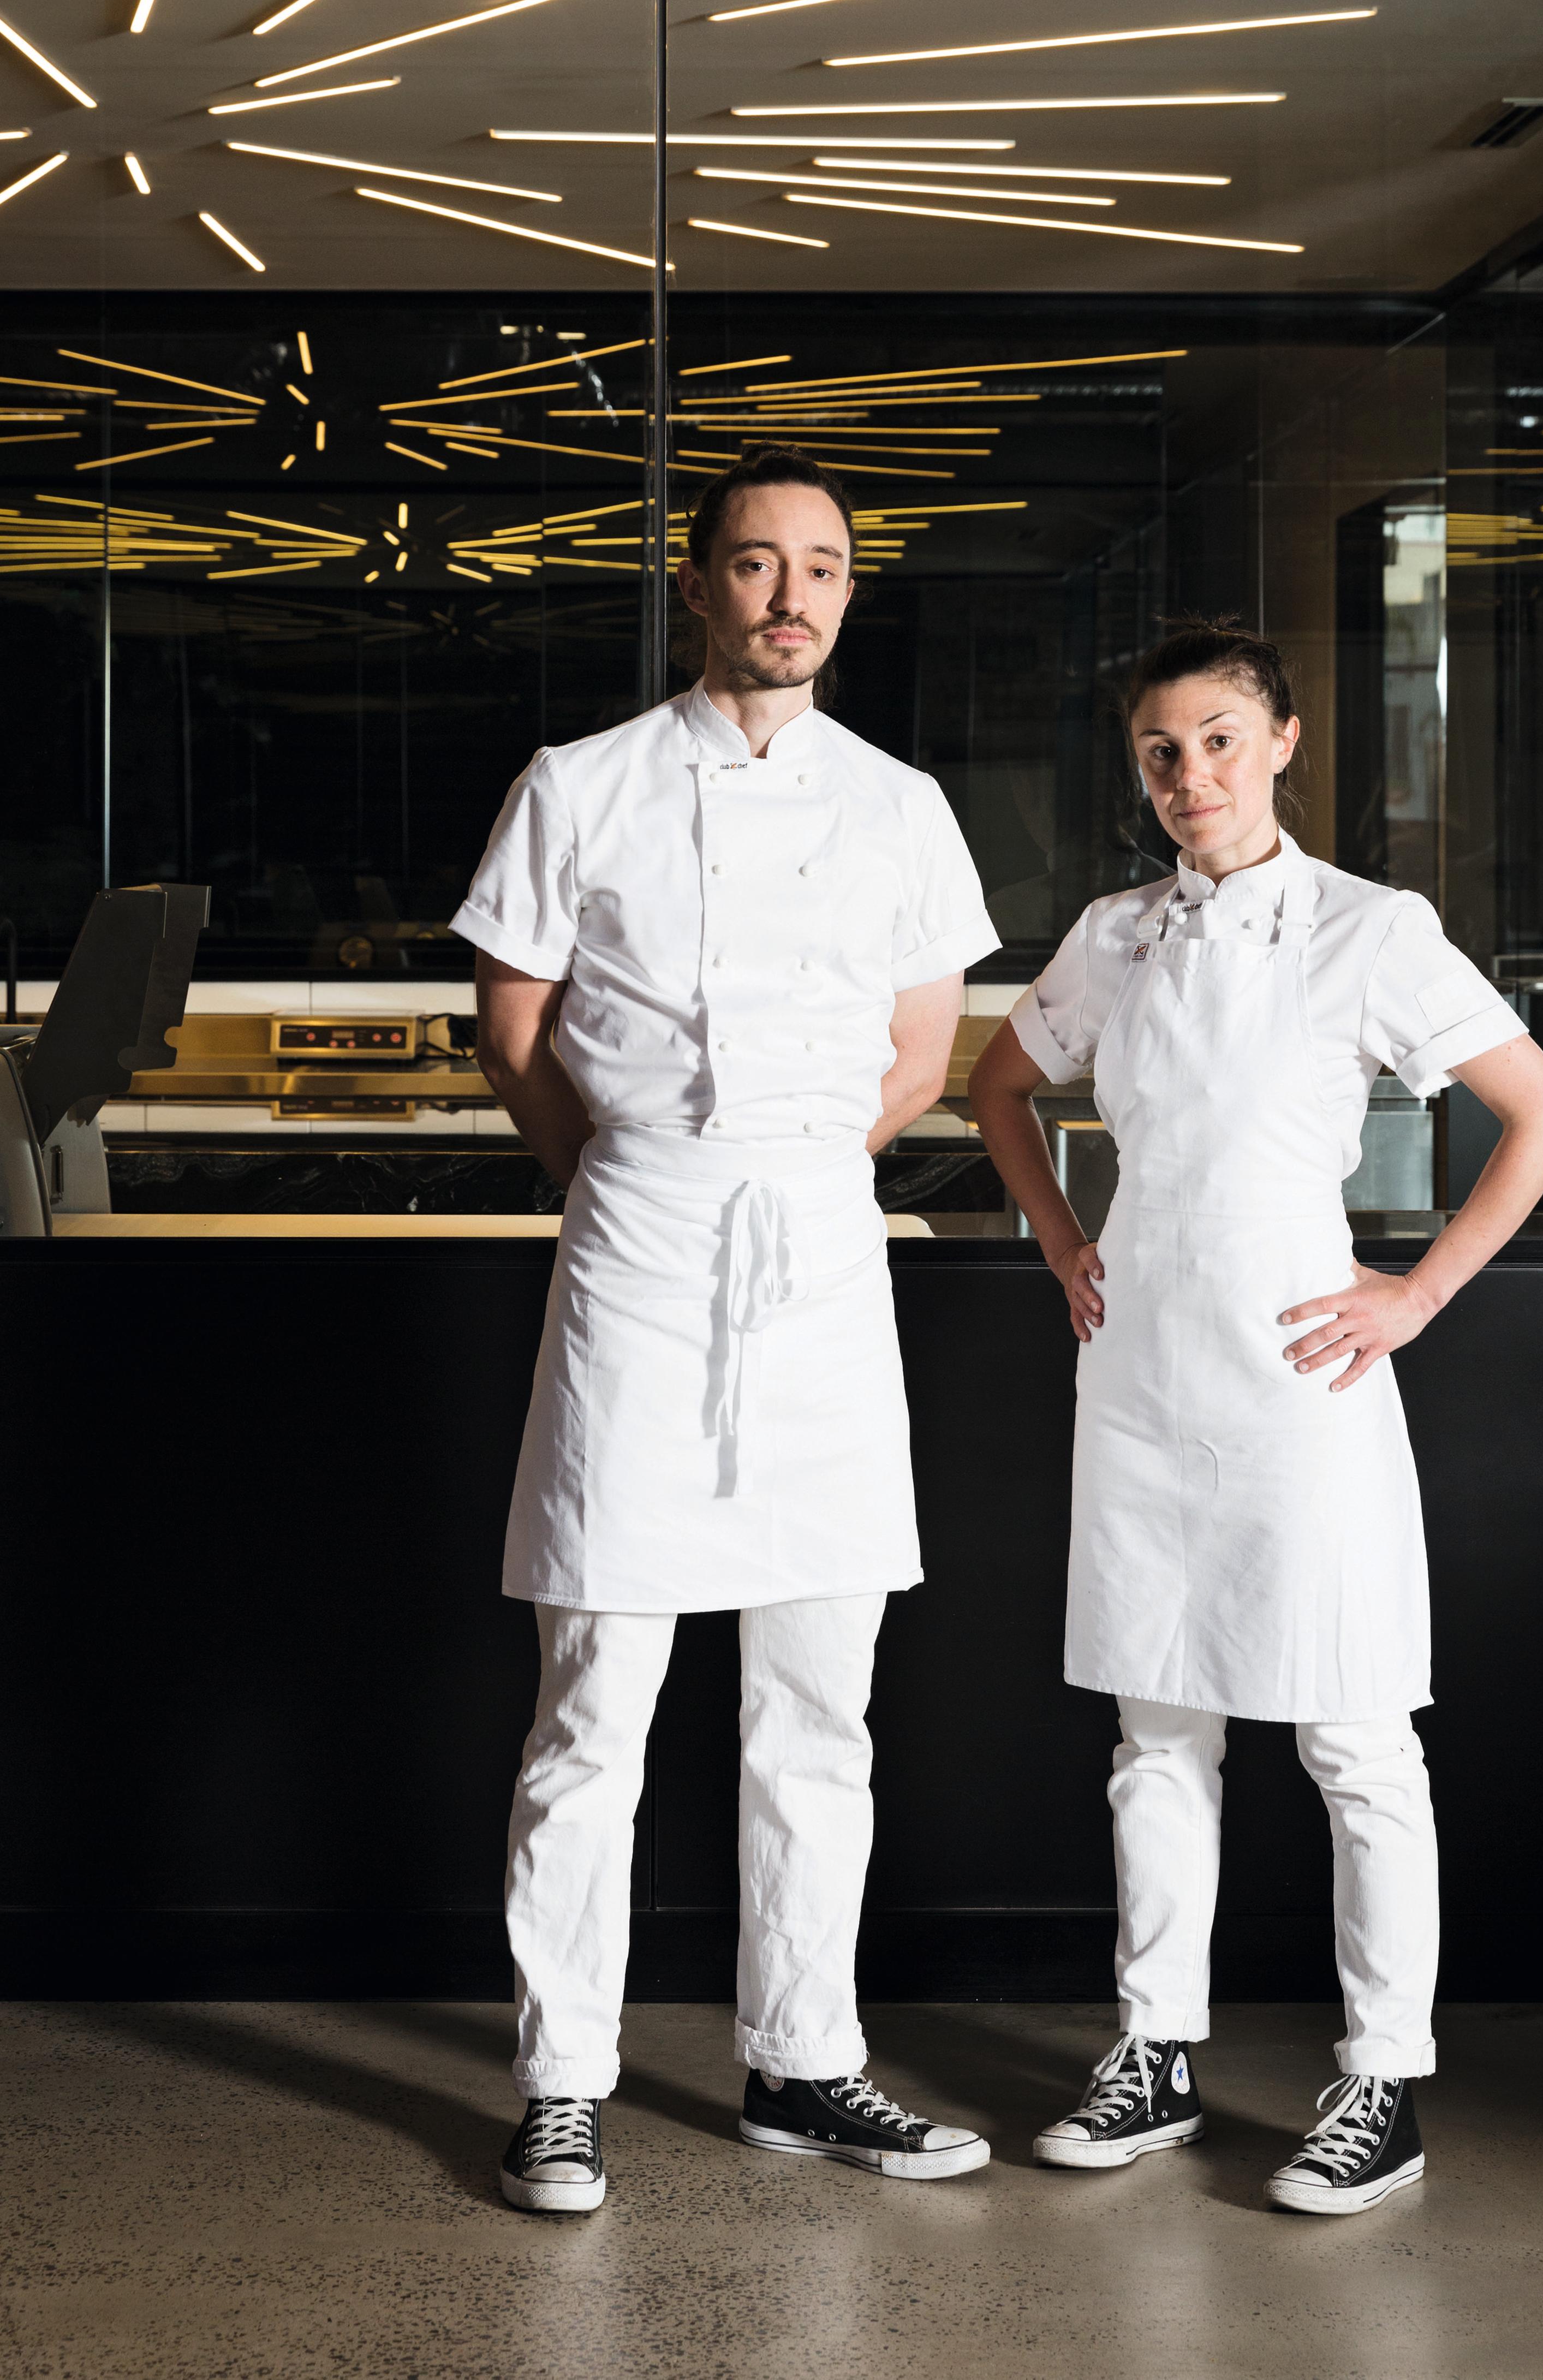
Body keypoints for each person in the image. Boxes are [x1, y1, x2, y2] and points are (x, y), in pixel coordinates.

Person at [968, 617, 1543, 2216]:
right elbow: (995, 1089)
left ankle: (1382, 2078)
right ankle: (1154, 2049)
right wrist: (1058, 1236)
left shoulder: (1367, 930)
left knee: (1352, 1735)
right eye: (1161, 751)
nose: (1191, 777)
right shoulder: (1113, 934)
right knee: (1153, 1733)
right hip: (1142, 1372)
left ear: (1286, 741)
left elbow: (1542, 1113)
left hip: (1302, 1375)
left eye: (1220, 741)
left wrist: (1417, 1293)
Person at [453, 447, 1000, 2214]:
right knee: (597, 1693)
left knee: (818, 1703)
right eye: (755, 567)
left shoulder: (901, 804)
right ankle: (560, 2081)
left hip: (823, 1255)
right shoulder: (585, 782)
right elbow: (514, 1026)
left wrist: (783, 1171)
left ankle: (804, 2061)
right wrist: (637, 1177)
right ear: (694, 588)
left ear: (850, 593)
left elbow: (922, 1055)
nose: (790, 596)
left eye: (822, 568)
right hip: (639, 1232)